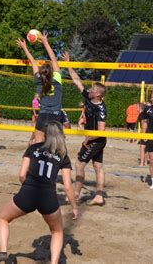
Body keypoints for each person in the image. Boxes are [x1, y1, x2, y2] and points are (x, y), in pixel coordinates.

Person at [0, 122, 78, 264]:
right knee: (57, 231)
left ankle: (3, 252)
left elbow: (21, 175)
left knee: (3, 218)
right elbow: (67, 186)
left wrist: (27, 187)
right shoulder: (63, 156)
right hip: (48, 197)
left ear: (45, 133)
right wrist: (74, 207)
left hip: (28, 192)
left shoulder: (33, 148)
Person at [62, 52, 107, 206]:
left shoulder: (101, 108)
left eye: (93, 89)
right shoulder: (89, 97)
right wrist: (68, 64)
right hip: (93, 139)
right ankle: (99, 196)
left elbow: (101, 131)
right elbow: (77, 81)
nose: (90, 89)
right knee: (97, 166)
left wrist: (88, 139)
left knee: (79, 164)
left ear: (98, 95)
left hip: (96, 139)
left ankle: (75, 194)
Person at [16, 32, 63, 144]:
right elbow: (53, 59)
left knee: (38, 145)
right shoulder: (57, 79)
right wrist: (45, 42)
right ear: (52, 72)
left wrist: (25, 48)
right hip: (55, 117)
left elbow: (32, 62)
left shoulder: (38, 80)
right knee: (53, 147)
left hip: (42, 116)